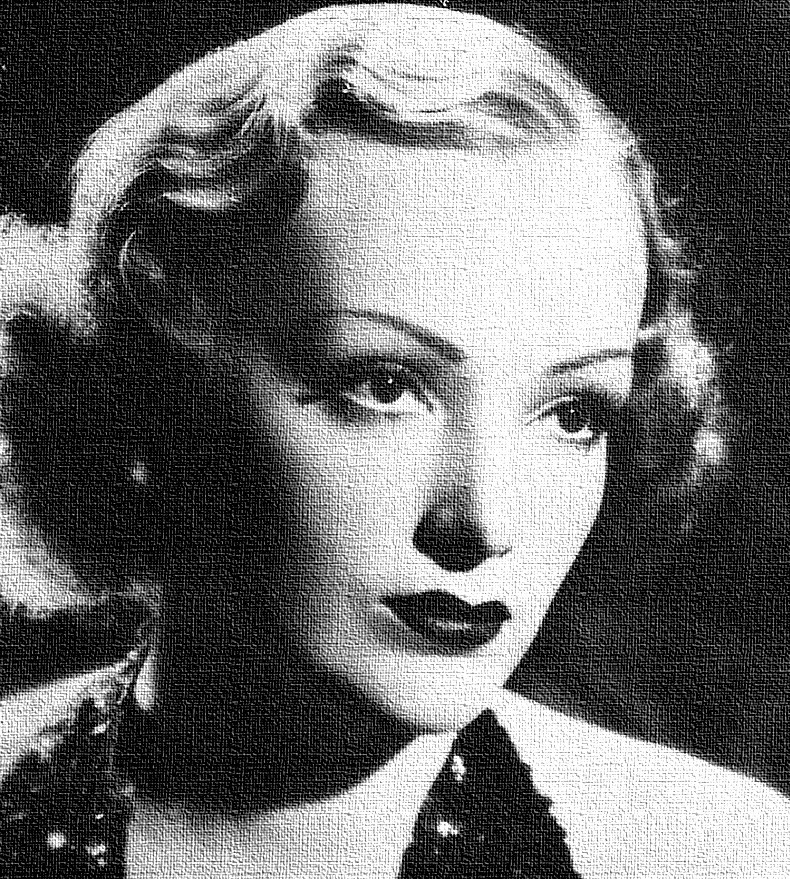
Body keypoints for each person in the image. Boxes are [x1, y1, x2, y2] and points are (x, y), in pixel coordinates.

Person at [0, 4, 787, 877]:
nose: (485, 523)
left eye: (573, 413)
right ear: (153, 376)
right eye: (383, 386)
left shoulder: (723, 852)